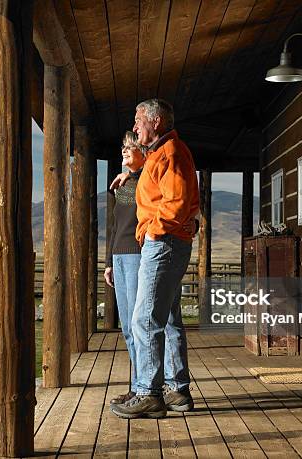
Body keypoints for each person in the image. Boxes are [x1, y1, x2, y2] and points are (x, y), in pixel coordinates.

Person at [111, 99, 199, 419]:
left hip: (163, 243)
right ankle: (176, 390)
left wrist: (150, 231)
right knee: (166, 315)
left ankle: (148, 393)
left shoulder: (172, 152)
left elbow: (175, 205)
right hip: (165, 242)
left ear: (156, 121)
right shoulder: (159, 155)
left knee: (144, 318)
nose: (135, 127)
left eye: (139, 121)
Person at [104, 131, 146, 405]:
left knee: (136, 324)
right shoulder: (121, 186)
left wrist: (132, 176)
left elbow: (150, 182)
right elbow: (114, 226)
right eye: (123, 147)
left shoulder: (143, 179)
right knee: (127, 328)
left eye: (131, 147)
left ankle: (145, 387)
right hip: (119, 256)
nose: (125, 151)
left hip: (136, 255)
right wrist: (108, 262)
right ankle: (137, 385)